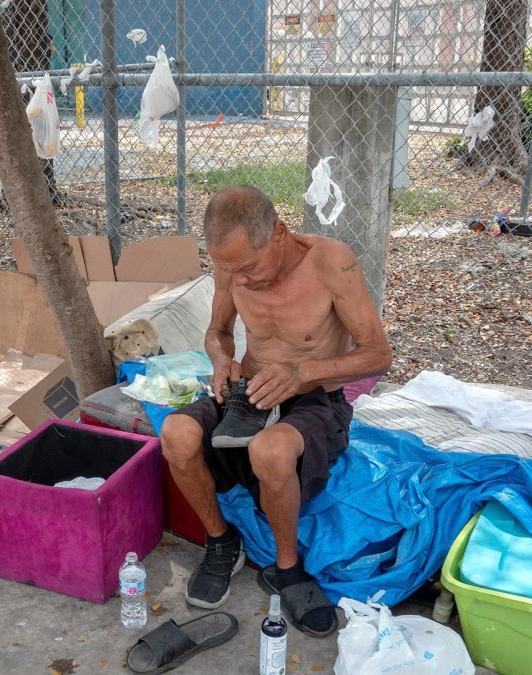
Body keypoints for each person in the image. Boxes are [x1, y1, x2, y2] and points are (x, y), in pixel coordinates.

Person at [160, 184, 392, 637]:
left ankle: (287, 569)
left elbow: (378, 354)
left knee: (269, 451)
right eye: (229, 271)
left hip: (314, 397)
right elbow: (218, 330)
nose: (239, 281)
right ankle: (222, 542)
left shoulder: (331, 261)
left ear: (279, 233)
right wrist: (221, 360)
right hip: (249, 388)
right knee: (175, 434)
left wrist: (301, 371)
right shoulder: (233, 264)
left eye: (247, 267)